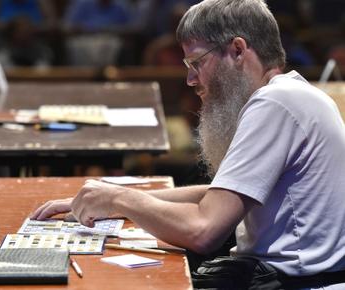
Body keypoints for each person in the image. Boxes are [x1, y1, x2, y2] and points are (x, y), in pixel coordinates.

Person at [31, 0, 345, 288]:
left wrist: (117, 200)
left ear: (237, 50)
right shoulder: (291, 95)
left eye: (196, 63)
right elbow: (217, 196)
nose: (190, 80)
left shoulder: (276, 103)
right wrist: (112, 199)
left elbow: (203, 230)